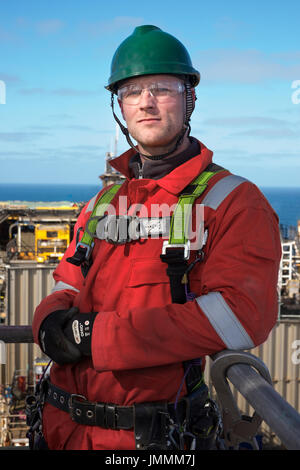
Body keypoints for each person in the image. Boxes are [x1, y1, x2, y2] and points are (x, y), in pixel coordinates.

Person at [31, 25, 282, 450]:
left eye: (162, 88)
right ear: (120, 106)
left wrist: (96, 337)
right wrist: (48, 324)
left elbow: (242, 315)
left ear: (189, 99)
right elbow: (65, 285)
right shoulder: (103, 202)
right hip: (60, 427)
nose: (146, 102)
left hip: (150, 439)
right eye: (132, 90)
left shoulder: (233, 201)